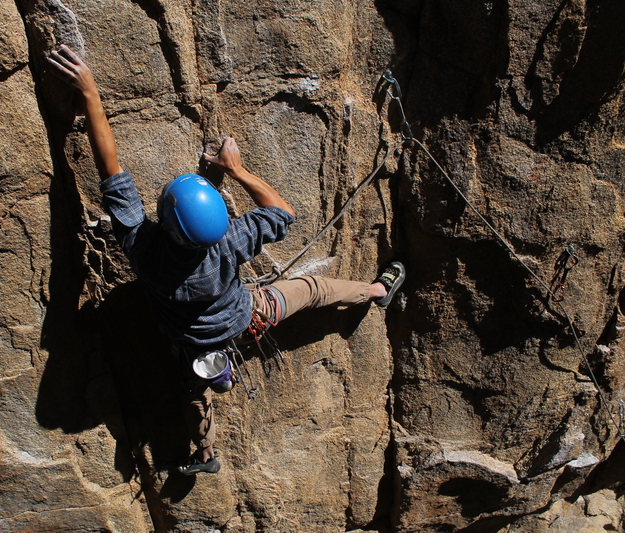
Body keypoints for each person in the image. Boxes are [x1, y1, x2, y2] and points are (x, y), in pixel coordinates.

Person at [47, 45, 406, 476]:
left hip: (194, 343)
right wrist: (237, 171)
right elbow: (283, 213)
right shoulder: (229, 242)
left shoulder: (145, 249)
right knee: (314, 290)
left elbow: (111, 170)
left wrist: (89, 95)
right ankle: (377, 290)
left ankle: (205, 454)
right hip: (247, 314)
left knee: (195, 393)